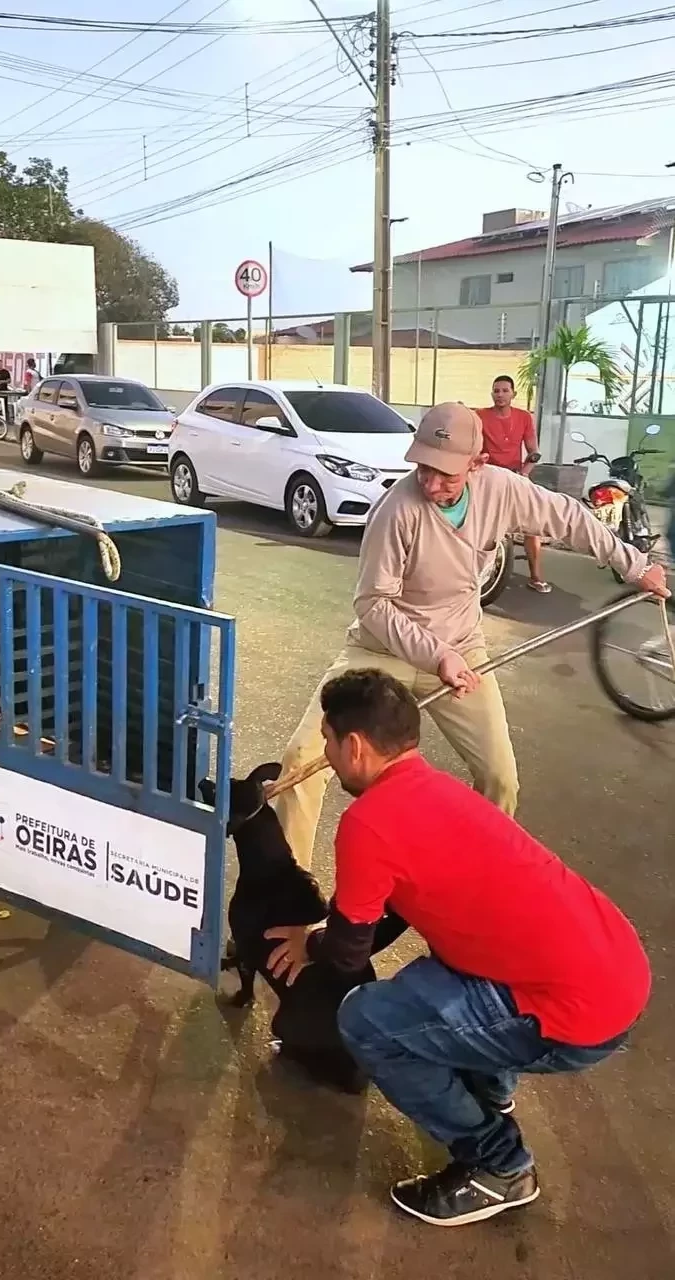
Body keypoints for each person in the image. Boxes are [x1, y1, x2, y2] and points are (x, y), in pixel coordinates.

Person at [266, 669, 652, 1228]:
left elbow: (349, 955)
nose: (324, 753)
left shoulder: (368, 823)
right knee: (442, 964)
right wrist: (331, 932)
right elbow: (398, 904)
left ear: (353, 745)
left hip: (575, 1015)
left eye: (328, 740)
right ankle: (487, 1086)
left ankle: (500, 1165)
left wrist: (314, 942)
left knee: (369, 1022)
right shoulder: (441, 790)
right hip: (615, 968)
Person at [273, 401, 668, 867]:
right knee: (301, 762)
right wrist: (436, 655)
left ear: (478, 464)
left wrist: (636, 566)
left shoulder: (502, 490)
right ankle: (287, 904)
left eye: (447, 475)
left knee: (501, 780)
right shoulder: (396, 510)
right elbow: (372, 604)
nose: (431, 483)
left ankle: (472, 883)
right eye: (423, 468)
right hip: (382, 650)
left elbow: (570, 518)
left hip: (462, 648)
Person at [477, 375, 549, 593]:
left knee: (532, 526)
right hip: (488, 476)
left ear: (513, 394)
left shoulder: (524, 417)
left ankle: (536, 576)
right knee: (479, 525)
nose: (500, 395)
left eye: (504, 391)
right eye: (496, 391)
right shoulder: (480, 416)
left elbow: (534, 451)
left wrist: (525, 473)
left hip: (516, 476)